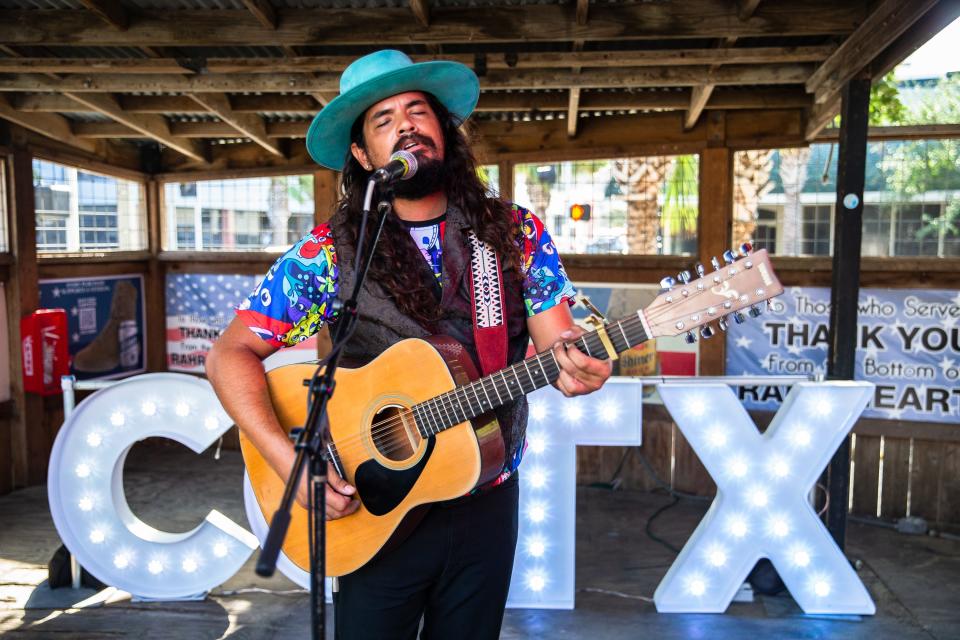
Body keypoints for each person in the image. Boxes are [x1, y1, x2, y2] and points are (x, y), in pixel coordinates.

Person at [205, 49, 612, 639]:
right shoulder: (328, 251)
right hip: (374, 503)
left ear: (443, 130)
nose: (406, 125)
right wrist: (291, 464)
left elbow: (560, 349)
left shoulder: (514, 232)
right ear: (363, 154)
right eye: (384, 119)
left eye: (418, 110)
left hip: (485, 498)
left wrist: (579, 368)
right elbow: (227, 356)